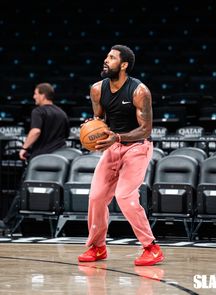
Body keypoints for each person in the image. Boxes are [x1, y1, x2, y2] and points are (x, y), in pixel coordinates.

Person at [78, 45, 165, 266]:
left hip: (137, 146)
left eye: (112, 57)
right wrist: (92, 126)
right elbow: (100, 120)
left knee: (125, 195)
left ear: (124, 65)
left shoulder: (139, 91)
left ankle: (151, 247)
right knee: (96, 197)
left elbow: (145, 129)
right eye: (106, 56)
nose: (106, 60)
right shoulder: (97, 89)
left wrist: (116, 137)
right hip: (113, 147)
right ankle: (98, 247)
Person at [0, 82, 70, 230]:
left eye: (35, 93)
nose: (34, 97)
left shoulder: (38, 111)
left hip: (39, 160)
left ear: (43, 95)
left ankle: (8, 222)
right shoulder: (62, 113)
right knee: (56, 194)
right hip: (58, 162)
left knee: (24, 191)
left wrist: (24, 147)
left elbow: (35, 131)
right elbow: (66, 136)